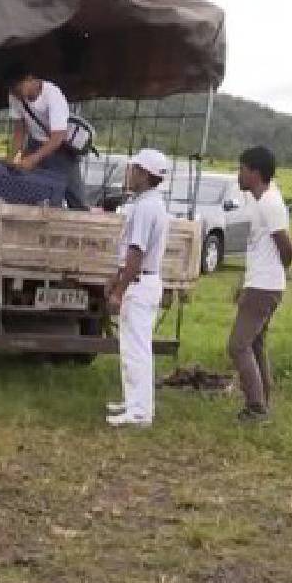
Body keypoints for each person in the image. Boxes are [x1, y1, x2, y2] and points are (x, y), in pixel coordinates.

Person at [105, 149, 171, 428]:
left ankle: (140, 412)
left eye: (133, 169)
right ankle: (135, 402)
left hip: (139, 282)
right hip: (143, 281)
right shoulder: (149, 204)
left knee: (136, 349)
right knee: (133, 347)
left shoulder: (145, 208)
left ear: (145, 174)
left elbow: (136, 252)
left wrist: (119, 290)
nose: (129, 174)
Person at [228, 146, 292, 422]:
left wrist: (272, 276)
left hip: (264, 287)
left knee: (237, 345)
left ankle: (255, 407)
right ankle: (262, 401)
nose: (238, 174)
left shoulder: (269, 203)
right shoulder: (262, 201)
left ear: (255, 173)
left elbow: (287, 249)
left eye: (242, 169)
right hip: (261, 284)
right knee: (254, 345)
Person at [4, 64, 88, 209]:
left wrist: (32, 159)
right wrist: (13, 156)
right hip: (35, 143)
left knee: (75, 197)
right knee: (29, 188)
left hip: (60, 148)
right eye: (13, 90)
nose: (16, 94)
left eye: (18, 88)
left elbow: (58, 137)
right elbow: (20, 130)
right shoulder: (15, 96)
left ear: (29, 79)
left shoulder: (52, 95)